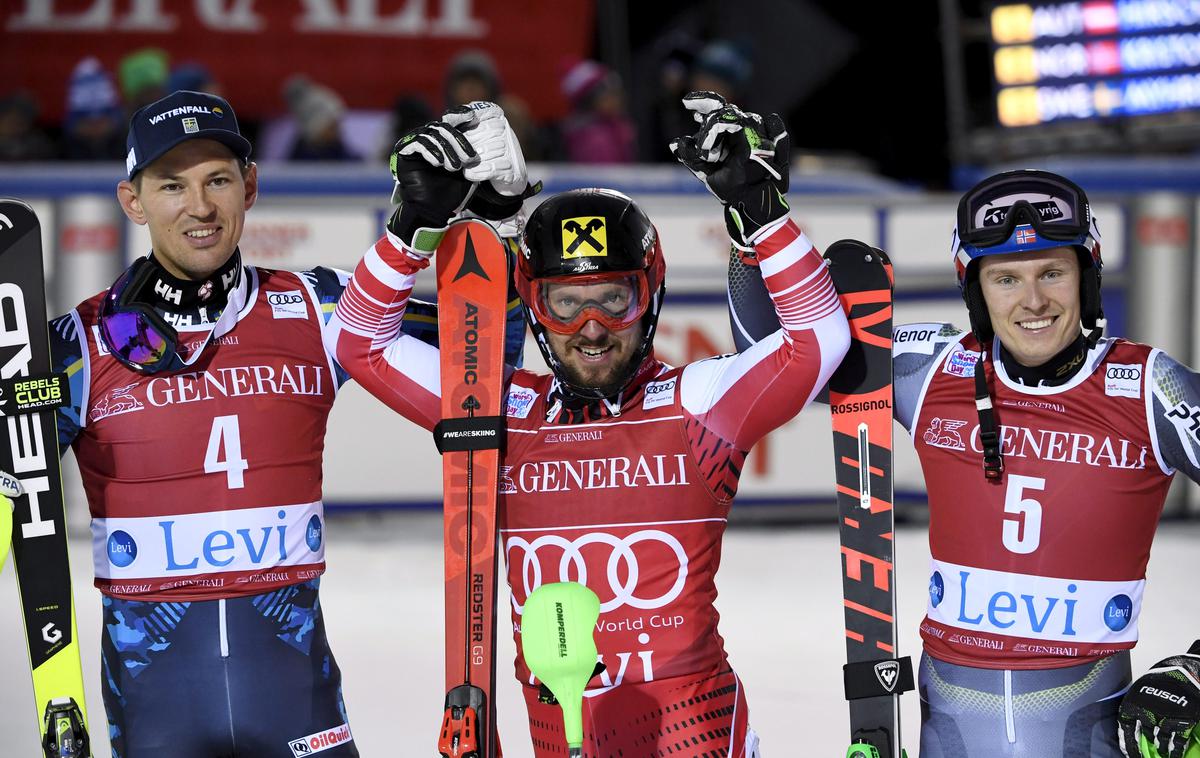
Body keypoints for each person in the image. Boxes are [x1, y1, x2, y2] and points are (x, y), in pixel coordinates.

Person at [324, 94, 850, 754]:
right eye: (565, 303)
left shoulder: (700, 401)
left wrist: (761, 214)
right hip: (560, 735)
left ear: (649, 295)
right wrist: (412, 231)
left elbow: (816, 341)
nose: (591, 327)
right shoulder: (495, 410)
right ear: (535, 307)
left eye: (612, 298)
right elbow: (358, 342)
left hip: (700, 738)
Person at [48, 89, 522, 757]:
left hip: (301, 717)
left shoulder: (319, 306)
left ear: (250, 186)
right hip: (159, 725)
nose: (200, 207)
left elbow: (483, 366)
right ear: (133, 201)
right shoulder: (78, 344)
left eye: (218, 180)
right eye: (172, 186)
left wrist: (500, 217)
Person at [729, 168, 1200, 756]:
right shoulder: (931, 368)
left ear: (1087, 277)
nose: (1033, 301)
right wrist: (754, 226)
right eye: (1006, 279)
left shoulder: (1151, 388)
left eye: (1053, 272)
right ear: (976, 291)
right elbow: (772, 352)